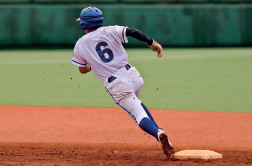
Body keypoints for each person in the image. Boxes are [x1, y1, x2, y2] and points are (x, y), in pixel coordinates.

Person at [71, 6, 175, 158]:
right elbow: (132, 32)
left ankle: (158, 132)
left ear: (83, 25)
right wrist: (151, 42)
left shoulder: (80, 44)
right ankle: (164, 138)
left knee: (138, 114)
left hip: (117, 85)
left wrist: (94, 64)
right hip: (133, 75)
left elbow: (82, 69)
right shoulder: (110, 30)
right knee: (137, 105)